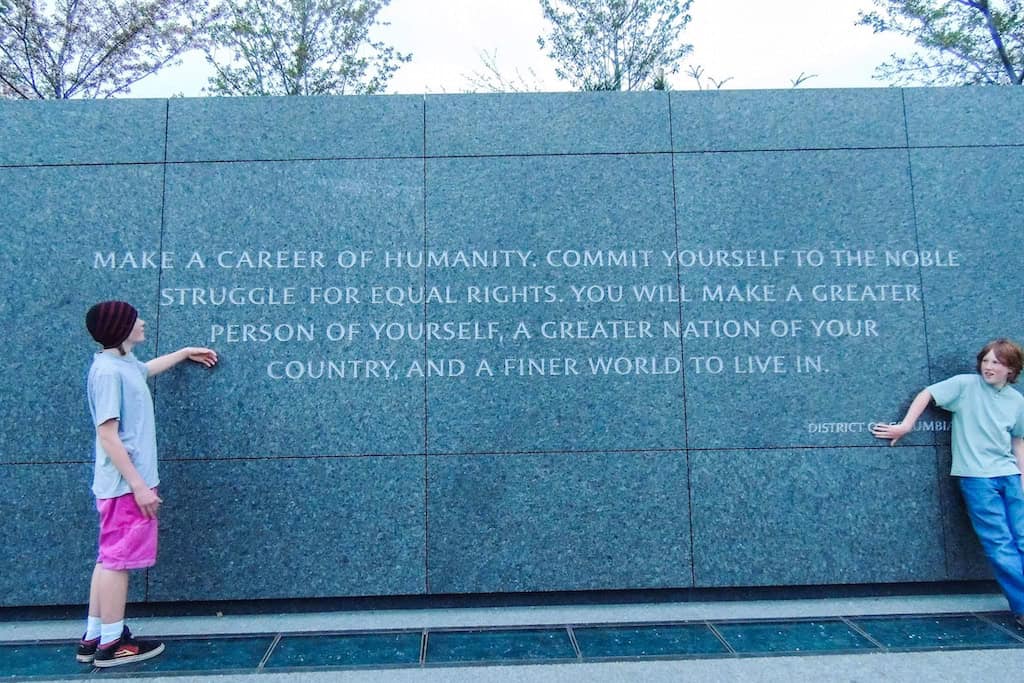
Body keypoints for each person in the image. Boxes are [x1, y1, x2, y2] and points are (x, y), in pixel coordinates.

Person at [77, 301, 218, 667]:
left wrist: (183, 353)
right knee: (117, 562)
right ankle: (112, 643)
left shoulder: (121, 364)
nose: (142, 322)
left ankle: (94, 635)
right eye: (134, 319)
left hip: (123, 483)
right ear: (121, 329)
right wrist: (139, 486)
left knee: (108, 557)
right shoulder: (108, 372)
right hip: (125, 485)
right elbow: (108, 434)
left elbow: (145, 370)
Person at [871, 338, 1024, 628]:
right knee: (1000, 545)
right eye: (986, 360)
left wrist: (1022, 478)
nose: (988, 366)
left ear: (1011, 369)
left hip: (1010, 476)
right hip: (977, 478)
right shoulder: (965, 385)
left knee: (1022, 539)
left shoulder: (1017, 401)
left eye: (996, 362)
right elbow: (927, 393)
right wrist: (906, 425)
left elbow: (1018, 440)